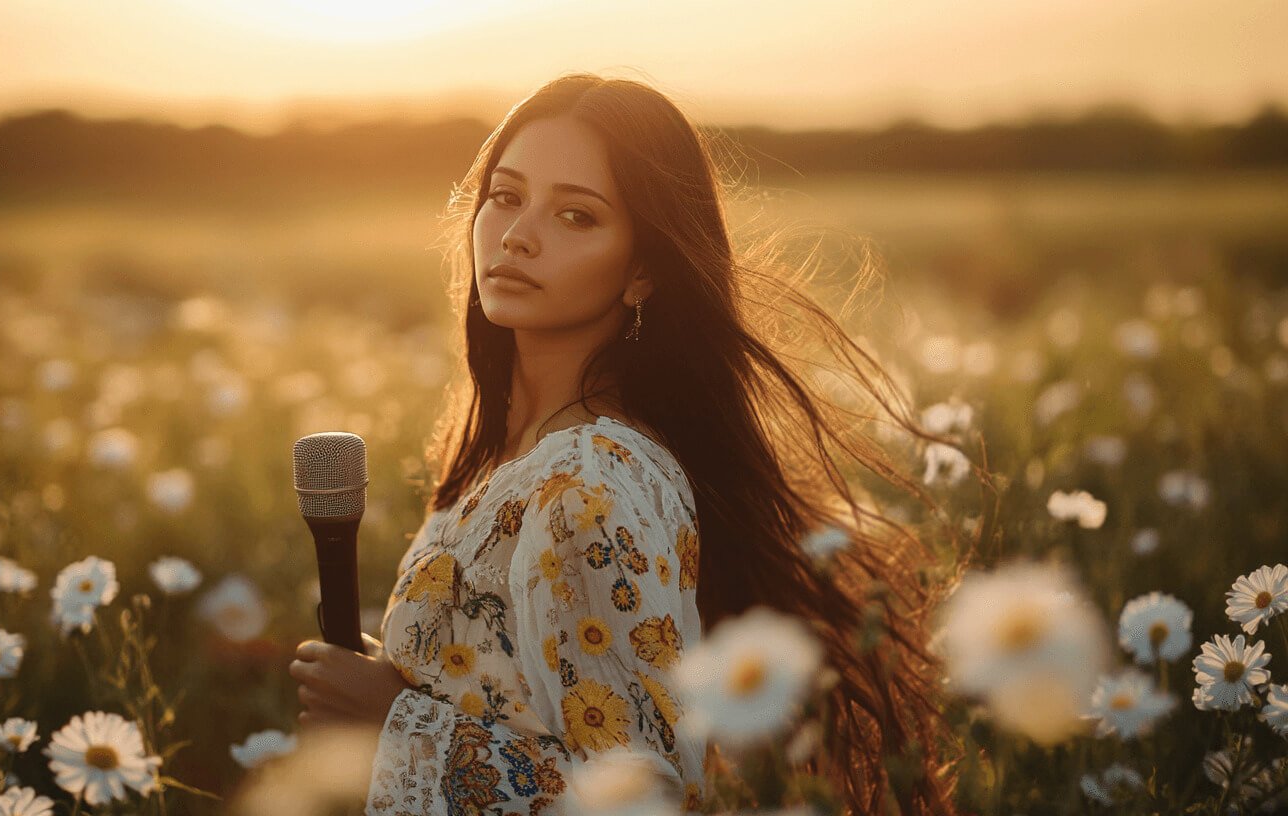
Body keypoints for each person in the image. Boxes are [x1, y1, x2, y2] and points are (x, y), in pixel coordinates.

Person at [290, 72, 963, 815]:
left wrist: (397, 724)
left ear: (643, 269)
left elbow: (641, 800)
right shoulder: (514, 451)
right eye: (506, 197)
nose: (517, 233)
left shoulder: (587, 482)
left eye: (576, 215)